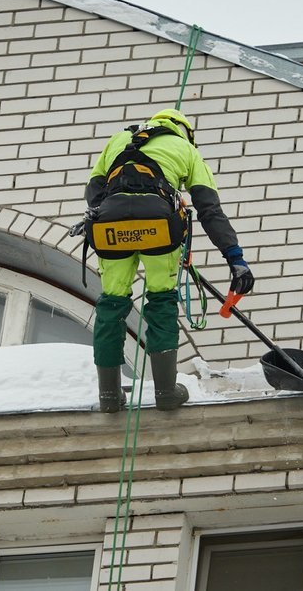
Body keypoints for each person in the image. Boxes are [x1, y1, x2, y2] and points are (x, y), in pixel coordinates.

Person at [85, 109, 255, 413]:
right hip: (157, 226)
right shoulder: (187, 150)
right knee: (161, 300)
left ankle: (108, 396)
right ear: (186, 131)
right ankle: (165, 390)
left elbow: (94, 190)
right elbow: (210, 210)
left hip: (109, 225)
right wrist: (235, 258)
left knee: (112, 303)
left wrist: (119, 212)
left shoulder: (120, 139)